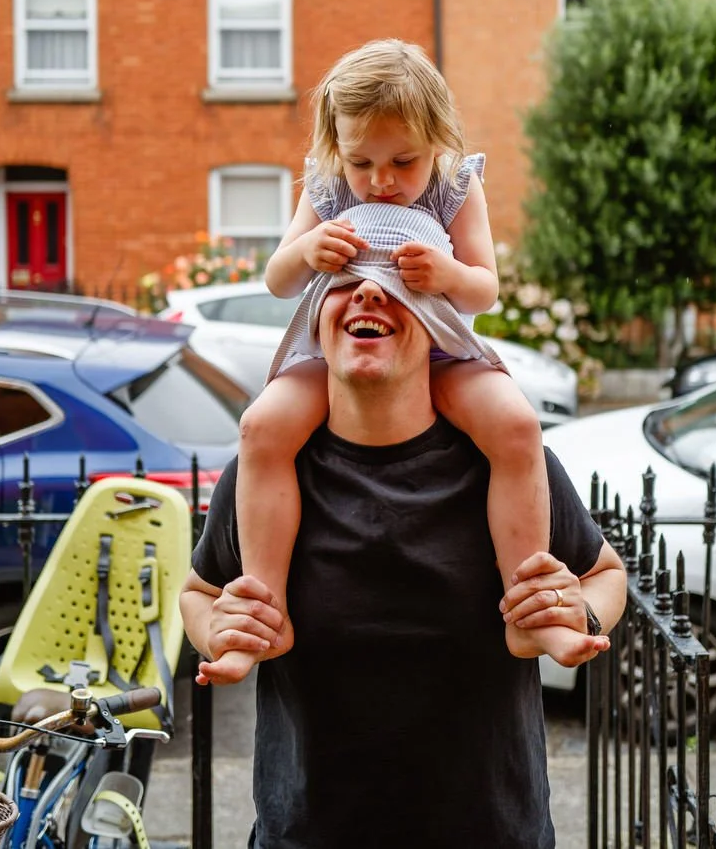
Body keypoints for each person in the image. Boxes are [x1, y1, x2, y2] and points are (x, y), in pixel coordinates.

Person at [179, 220, 626, 848]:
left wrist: (580, 614)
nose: (367, 293)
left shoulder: (504, 469)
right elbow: (199, 591)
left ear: (438, 323)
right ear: (316, 319)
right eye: (344, 281)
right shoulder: (265, 477)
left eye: (395, 278)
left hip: (489, 833)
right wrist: (214, 628)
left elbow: (605, 575)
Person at [210, 38, 563, 684]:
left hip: (437, 342)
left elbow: (485, 286)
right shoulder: (326, 185)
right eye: (361, 161)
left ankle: (527, 604)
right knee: (262, 428)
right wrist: (309, 246)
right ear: (335, 146)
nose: (380, 181)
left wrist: (449, 271)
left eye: (404, 160)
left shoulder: (457, 185)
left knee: (515, 426)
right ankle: (265, 611)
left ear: (438, 140)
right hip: (343, 349)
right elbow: (277, 279)